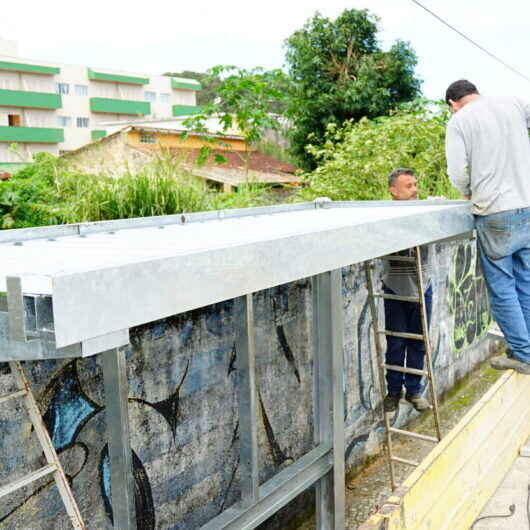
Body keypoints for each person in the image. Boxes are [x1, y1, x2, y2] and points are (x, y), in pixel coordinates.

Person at [445, 79, 530, 375]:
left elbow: (457, 171)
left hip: (494, 212)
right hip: (527, 205)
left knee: (503, 287)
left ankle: (523, 354)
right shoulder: (514, 103)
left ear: (453, 103)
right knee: (526, 281)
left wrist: (469, 192)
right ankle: (527, 347)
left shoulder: (459, 121)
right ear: (475, 92)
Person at [382, 168, 432, 412]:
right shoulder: (382, 215)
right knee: (396, 342)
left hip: (423, 286)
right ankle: (393, 391)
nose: (415, 190)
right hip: (394, 288)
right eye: (409, 186)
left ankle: (414, 391)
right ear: (394, 191)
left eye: (415, 184)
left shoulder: (425, 211)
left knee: (418, 342)